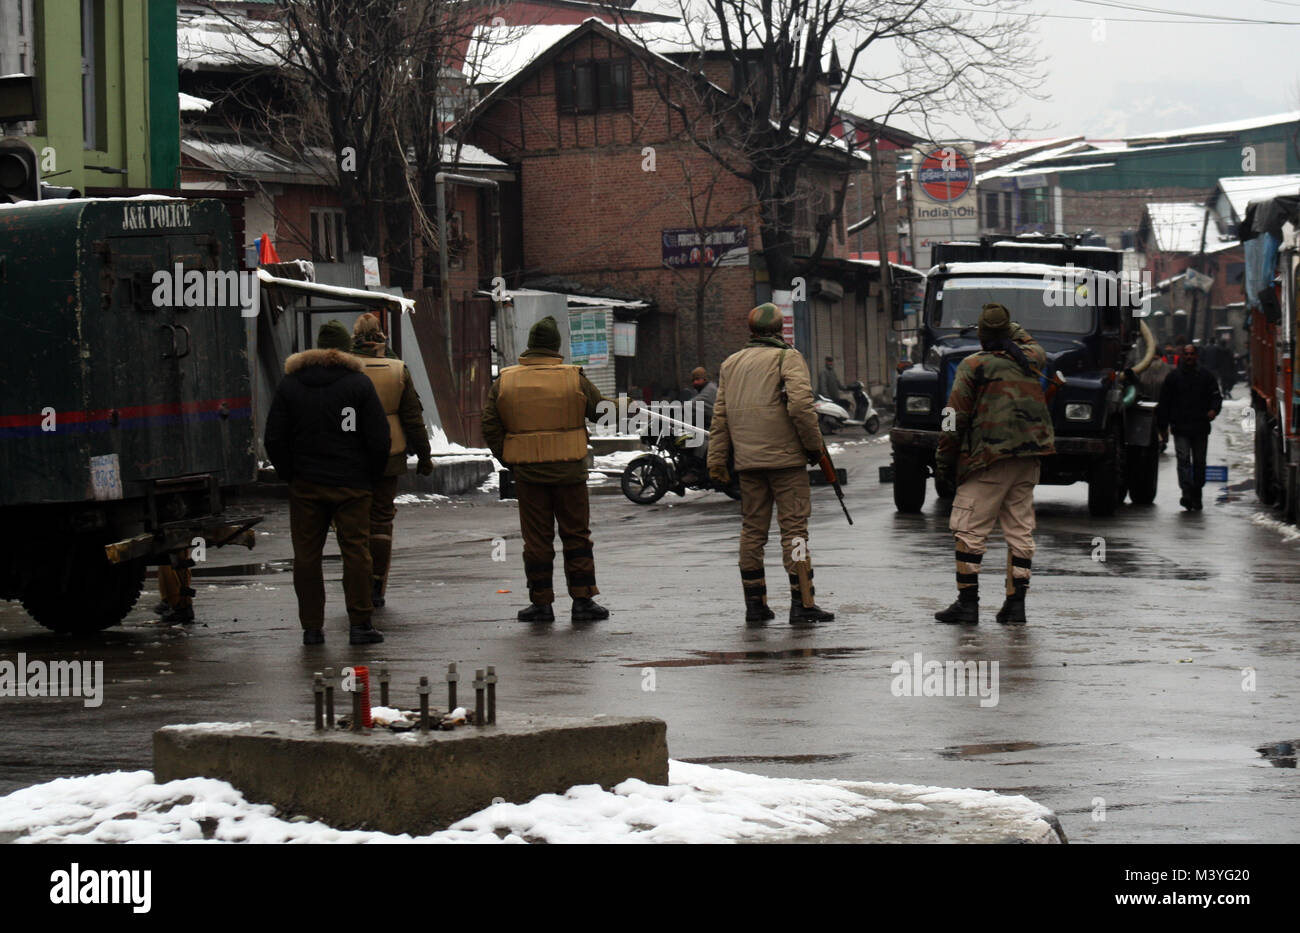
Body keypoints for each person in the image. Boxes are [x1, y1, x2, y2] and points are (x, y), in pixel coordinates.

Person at [264, 320, 390, 645]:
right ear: (345, 349)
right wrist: (369, 476)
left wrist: (290, 473)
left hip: (306, 484)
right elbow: (378, 438)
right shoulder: (358, 385)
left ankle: (312, 628)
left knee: (306, 556)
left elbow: (274, 437)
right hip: (352, 485)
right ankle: (360, 624)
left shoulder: (291, 385)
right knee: (356, 552)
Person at [708, 303, 833, 625]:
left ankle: (755, 604)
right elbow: (802, 407)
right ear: (779, 330)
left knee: (752, 531)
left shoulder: (730, 364)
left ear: (751, 331)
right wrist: (814, 448)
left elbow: (720, 418)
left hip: (748, 463)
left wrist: (717, 460)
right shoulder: (786, 357)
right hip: (787, 462)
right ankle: (803, 603)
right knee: (794, 532)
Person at [481, 316, 609, 624]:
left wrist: (509, 456)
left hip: (529, 475)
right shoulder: (574, 378)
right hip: (570, 474)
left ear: (531, 345)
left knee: (536, 541)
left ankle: (541, 604)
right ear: (556, 346)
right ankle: (582, 601)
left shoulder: (506, 380)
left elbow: (489, 424)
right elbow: (602, 413)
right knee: (576, 535)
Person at [934, 303, 1055, 625]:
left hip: (989, 459)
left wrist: (944, 461)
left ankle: (968, 604)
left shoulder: (973, 365)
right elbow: (1028, 341)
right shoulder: (1032, 359)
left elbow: (953, 418)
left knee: (969, 529)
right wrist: (1005, 332)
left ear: (982, 335)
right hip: (1028, 458)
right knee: (1020, 532)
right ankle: (1015, 606)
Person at [350, 312, 434, 607]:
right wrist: (424, 455)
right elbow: (413, 417)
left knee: (354, 520)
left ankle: (356, 581)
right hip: (390, 454)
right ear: (382, 338)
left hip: (352, 456)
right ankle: (376, 585)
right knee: (382, 520)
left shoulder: (345, 369)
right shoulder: (397, 369)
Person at [1157, 343, 1222, 511]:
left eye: (1191, 354)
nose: (1189, 357)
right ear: (1182, 356)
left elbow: (1216, 396)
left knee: (1199, 463)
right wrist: (1163, 425)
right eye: (1186, 354)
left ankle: (1197, 492)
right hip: (1180, 427)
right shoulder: (1174, 378)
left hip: (1200, 427)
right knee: (1183, 459)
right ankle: (1186, 492)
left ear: (1196, 356)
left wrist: (1214, 410)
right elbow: (1164, 402)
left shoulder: (1206, 376)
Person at [680, 366, 717, 485]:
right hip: (710, 422)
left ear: (704, 379)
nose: (695, 382)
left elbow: (694, 404)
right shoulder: (704, 389)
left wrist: (675, 410)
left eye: (697, 379)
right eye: (693, 380)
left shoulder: (709, 391)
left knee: (699, 439)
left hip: (717, 426)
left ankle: (695, 471)